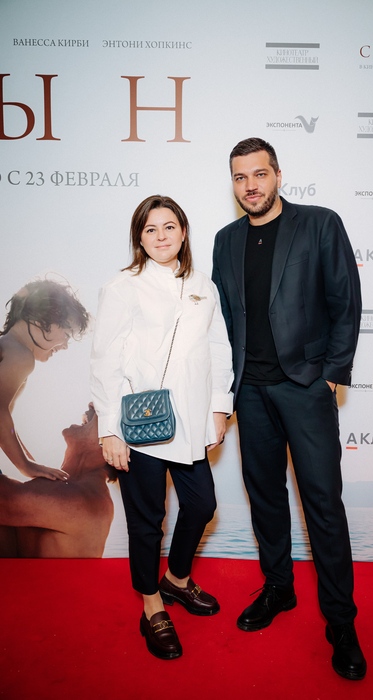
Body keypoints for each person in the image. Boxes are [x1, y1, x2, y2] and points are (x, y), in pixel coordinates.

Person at [212, 138, 366, 681]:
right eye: (240, 177)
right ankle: (279, 587)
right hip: (250, 392)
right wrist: (222, 392)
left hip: (305, 388)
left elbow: (345, 302)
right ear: (232, 184)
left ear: (278, 175)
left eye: (259, 174)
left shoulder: (320, 224)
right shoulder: (225, 240)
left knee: (323, 504)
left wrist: (332, 375)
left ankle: (341, 622)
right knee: (266, 499)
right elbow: (222, 320)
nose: (250, 185)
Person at [90, 195, 234, 661]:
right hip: (140, 425)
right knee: (147, 522)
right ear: (140, 237)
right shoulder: (122, 286)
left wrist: (219, 407)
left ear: (183, 231)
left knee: (202, 505)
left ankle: (175, 579)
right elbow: (105, 360)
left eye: (169, 226)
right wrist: (109, 430)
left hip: (190, 421)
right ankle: (151, 604)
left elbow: (219, 349)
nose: (161, 236)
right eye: (150, 229)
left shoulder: (202, 284)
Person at [0, 279, 90, 482]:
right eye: (67, 334)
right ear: (40, 321)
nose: (65, 345)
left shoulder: (8, 347)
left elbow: (5, 423)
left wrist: (30, 460)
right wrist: (26, 466)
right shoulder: (21, 356)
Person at [0, 404, 117, 557]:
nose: (91, 404)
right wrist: (5, 406)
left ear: (113, 445)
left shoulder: (87, 501)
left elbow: (4, 501)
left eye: (101, 410)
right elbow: (7, 431)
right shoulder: (65, 485)